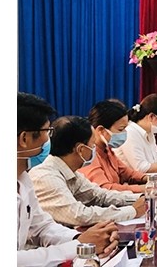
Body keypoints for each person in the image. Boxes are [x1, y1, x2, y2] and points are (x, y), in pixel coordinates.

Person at [17, 92, 119, 266]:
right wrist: (78, 246)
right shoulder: (42, 174)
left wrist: (84, 239)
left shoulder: (23, 177)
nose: (50, 139)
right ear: (24, 138)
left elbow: (42, 226)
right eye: (47, 131)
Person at [29, 115, 146, 227]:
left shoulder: (71, 173)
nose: (95, 149)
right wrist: (132, 211)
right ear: (81, 149)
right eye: (93, 145)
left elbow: (100, 196)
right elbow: (79, 215)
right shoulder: (46, 177)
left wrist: (143, 198)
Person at [78, 99, 157, 193]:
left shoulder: (107, 150)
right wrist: (147, 188)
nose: (124, 133)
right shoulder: (89, 154)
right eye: (121, 129)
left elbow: (128, 173)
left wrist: (153, 179)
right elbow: (105, 189)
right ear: (101, 130)